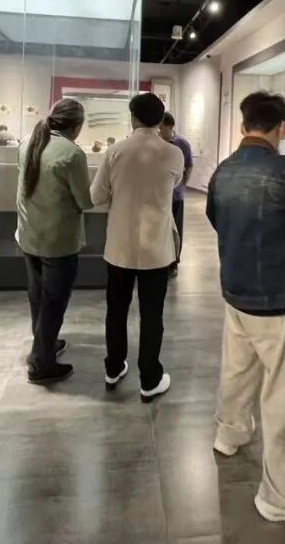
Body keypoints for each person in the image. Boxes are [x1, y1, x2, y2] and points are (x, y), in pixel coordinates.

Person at [207, 91, 285, 527]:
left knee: (237, 370)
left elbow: (216, 219)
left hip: (236, 288)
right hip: (278, 297)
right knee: (284, 395)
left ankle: (230, 433)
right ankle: (284, 497)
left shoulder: (223, 170)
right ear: (282, 128)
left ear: (244, 126)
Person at [90, 92, 184, 402]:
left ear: (132, 118)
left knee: (116, 310)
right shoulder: (173, 153)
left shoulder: (115, 151)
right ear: (159, 120)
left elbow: (96, 196)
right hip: (156, 249)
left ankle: (114, 368)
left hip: (120, 247)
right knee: (152, 315)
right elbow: (173, 184)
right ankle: (150, 379)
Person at [16, 99, 93, 384]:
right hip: (58, 240)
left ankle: (45, 343)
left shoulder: (28, 142)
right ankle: (41, 364)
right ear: (77, 126)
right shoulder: (72, 154)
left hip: (29, 234)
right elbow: (84, 201)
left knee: (38, 296)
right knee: (54, 301)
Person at [159, 112, 193, 278]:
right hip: (159, 195)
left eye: (161, 128)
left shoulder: (182, 144)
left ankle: (174, 263)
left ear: (170, 127)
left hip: (175, 196)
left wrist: (182, 185)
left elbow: (189, 165)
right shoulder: (156, 143)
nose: (159, 131)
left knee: (175, 231)